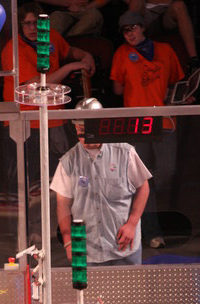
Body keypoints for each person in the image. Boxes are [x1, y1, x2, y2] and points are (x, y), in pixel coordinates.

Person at [110, 11, 185, 248]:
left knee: (165, 171)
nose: (130, 33)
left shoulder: (165, 50)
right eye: (125, 31)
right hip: (136, 124)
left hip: (164, 121)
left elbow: (176, 81)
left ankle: (146, 209)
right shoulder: (121, 54)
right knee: (142, 179)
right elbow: (118, 89)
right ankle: (152, 232)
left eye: (133, 28)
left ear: (143, 27)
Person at [2, 2, 96, 185]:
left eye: (36, 23)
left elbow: (69, 50)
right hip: (25, 121)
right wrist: (70, 67)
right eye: (27, 23)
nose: (32, 28)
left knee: (59, 178)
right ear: (20, 25)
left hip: (55, 118)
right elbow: (37, 85)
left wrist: (85, 55)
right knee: (25, 181)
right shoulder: (13, 48)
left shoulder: (50, 36)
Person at [51, 98, 151, 265]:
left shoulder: (125, 152)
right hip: (87, 251)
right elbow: (63, 205)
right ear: (76, 128)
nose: (86, 137)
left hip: (124, 247)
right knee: (85, 284)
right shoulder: (68, 162)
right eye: (81, 130)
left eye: (90, 130)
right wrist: (68, 242)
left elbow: (143, 187)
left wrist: (132, 223)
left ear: (101, 126)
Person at [125, 0, 200, 71]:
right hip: (145, 12)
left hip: (166, 12)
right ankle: (130, 56)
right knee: (135, 2)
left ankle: (193, 61)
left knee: (179, 5)